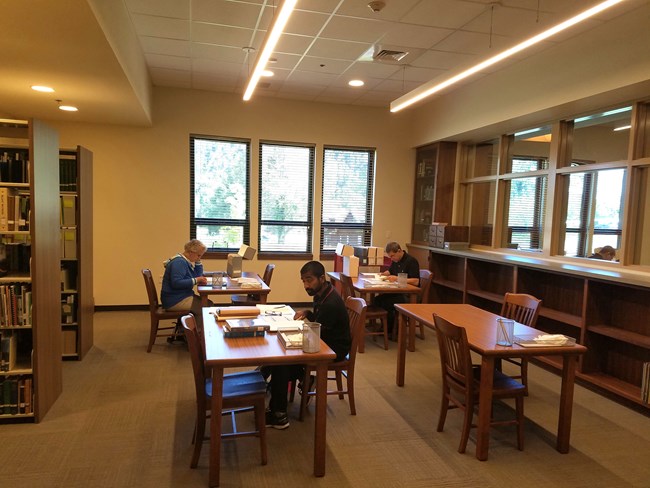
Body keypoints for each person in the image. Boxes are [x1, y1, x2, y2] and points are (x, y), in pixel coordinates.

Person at [264, 261, 351, 430]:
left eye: (309, 280)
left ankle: (279, 414)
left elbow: (320, 334)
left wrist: (296, 335)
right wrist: (308, 313)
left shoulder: (331, 302)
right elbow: (320, 323)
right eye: (303, 280)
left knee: (281, 359)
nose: (306, 285)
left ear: (321, 278)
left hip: (333, 349)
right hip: (323, 339)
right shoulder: (322, 293)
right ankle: (282, 386)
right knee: (279, 353)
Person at [160, 239, 209, 329]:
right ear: (191, 252)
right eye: (198, 255)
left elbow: (197, 275)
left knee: (208, 304)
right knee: (205, 307)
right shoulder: (179, 262)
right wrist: (197, 279)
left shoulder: (184, 261)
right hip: (175, 300)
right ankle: (195, 337)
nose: (199, 258)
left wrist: (198, 262)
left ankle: (190, 332)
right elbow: (176, 283)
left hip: (180, 297)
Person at [374, 242, 420, 335]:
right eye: (390, 256)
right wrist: (384, 274)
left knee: (386, 302)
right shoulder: (396, 260)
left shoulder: (411, 261)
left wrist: (397, 279)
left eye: (392, 256)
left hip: (408, 295)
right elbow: (390, 271)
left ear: (399, 251)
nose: (391, 258)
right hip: (397, 291)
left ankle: (391, 329)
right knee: (377, 300)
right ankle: (386, 327)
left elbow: (416, 281)